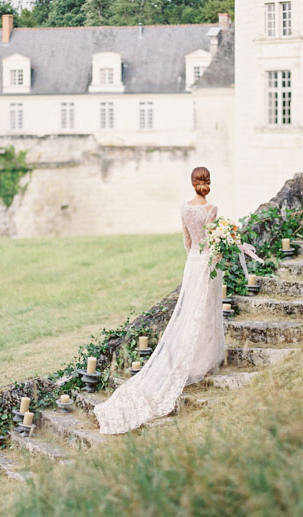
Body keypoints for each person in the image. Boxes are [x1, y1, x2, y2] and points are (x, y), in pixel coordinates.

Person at [94, 166, 224, 434]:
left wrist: (195, 258)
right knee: (205, 310)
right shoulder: (212, 210)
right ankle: (203, 359)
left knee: (189, 310)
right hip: (207, 263)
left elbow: (188, 242)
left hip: (193, 263)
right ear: (208, 182)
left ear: (192, 183)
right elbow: (213, 242)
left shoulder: (185, 209)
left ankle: (196, 358)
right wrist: (216, 258)